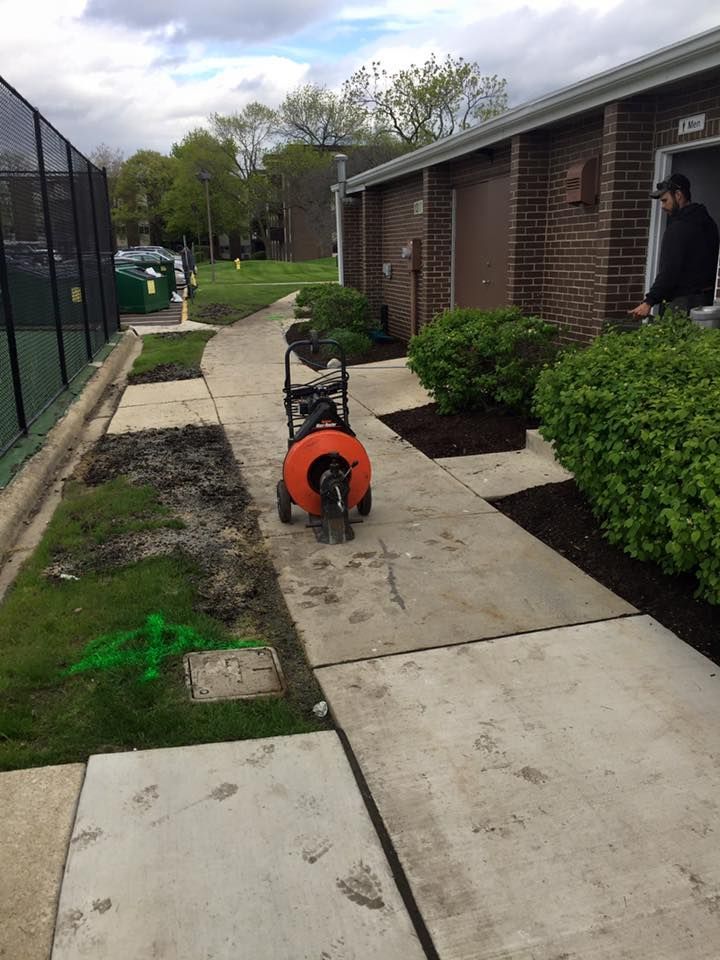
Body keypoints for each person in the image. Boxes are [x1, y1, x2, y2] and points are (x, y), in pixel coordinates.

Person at [629, 173, 719, 320]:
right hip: (706, 302)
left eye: (665, 200)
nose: (663, 207)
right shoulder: (709, 223)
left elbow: (670, 270)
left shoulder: (678, 228)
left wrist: (649, 301)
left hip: (683, 302)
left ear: (678, 195)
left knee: (674, 342)